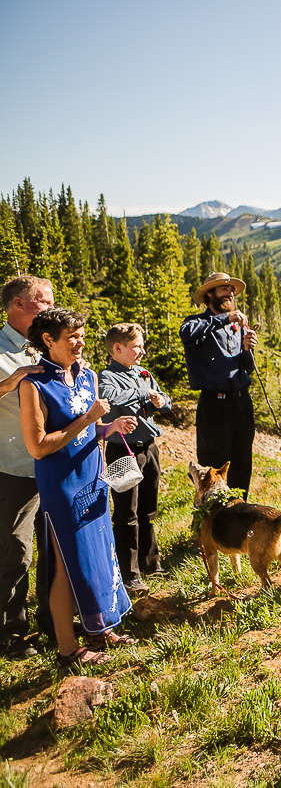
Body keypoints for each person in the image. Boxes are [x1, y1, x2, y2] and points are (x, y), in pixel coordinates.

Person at [20, 308, 139, 667]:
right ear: (48, 340)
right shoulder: (34, 384)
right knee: (65, 563)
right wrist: (87, 419)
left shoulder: (87, 376)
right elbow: (38, 446)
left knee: (99, 553)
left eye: (81, 334)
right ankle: (68, 649)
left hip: (93, 475)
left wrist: (108, 427)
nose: (80, 342)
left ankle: (100, 626)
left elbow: (93, 430)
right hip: (61, 484)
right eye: (72, 336)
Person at [0, 276, 53, 658]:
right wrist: (11, 381)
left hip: (52, 464)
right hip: (12, 466)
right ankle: (10, 633)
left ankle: (52, 621)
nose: (50, 309)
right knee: (16, 550)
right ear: (19, 305)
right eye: (44, 303)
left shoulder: (44, 345)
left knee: (54, 547)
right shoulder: (1, 349)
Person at [99, 323, 173, 594]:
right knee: (126, 513)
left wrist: (160, 401)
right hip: (123, 450)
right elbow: (110, 397)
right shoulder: (106, 375)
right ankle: (130, 574)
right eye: (136, 347)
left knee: (148, 510)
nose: (142, 351)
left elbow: (167, 401)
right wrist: (143, 392)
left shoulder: (144, 373)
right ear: (118, 348)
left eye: (142, 346)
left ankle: (151, 563)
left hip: (149, 449)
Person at [180, 272, 258, 497]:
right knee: (213, 465)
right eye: (224, 289)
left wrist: (247, 349)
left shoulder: (238, 326)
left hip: (242, 403)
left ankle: (240, 511)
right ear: (209, 294)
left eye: (231, 290)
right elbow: (187, 335)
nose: (230, 293)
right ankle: (213, 517)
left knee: (243, 460)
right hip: (214, 405)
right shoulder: (196, 322)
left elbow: (248, 368)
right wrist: (227, 318)